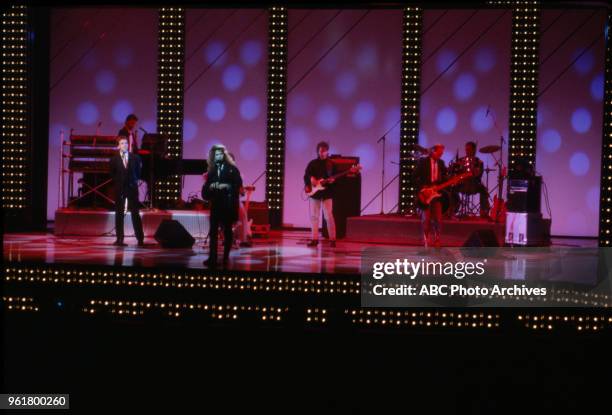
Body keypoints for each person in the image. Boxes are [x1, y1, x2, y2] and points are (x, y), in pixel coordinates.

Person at [201, 144, 243, 267]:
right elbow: (207, 190)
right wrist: (209, 188)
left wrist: (225, 187)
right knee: (213, 232)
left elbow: (238, 187)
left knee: (227, 231)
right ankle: (212, 258)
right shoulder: (212, 170)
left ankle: (225, 257)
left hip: (228, 205)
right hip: (216, 205)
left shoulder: (233, 169)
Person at [109, 136, 144, 247]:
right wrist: (119, 183)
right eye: (122, 143)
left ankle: (140, 239)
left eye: (126, 143)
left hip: (132, 188)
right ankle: (120, 239)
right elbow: (112, 174)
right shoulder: (114, 159)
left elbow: (138, 173)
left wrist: (133, 181)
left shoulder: (135, 158)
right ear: (118, 145)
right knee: (119, 213)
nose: (125, 145)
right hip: (120, 189)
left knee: (135, 213)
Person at [413, 144, 447, 248]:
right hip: (425, 193)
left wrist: (451, 181)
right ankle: (426, 239)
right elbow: (414, 177)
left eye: (442, 154)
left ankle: (437, 239)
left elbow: (444, 178)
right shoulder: (423, 162)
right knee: (426, 219)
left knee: (438, 218)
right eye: (439, 153)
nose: (440, 155)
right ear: (433, 151)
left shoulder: (441, 163)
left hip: (436, 194)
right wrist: (422, 189)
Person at [303, 141, 336, 248]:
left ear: (327, 152)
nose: (322, 153)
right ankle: (314, 239)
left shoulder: (331, 164)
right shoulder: (312, 163)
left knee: (329, 216)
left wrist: (333, 181)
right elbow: (306, 176)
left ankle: (332, 239)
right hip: (315, 194)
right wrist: (310, 178)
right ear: (318, 151)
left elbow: (335, 178)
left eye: (324, 151)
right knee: (314, 217)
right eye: (320, 151)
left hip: (327, 193)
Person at [455, 141, 489, 218]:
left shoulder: (478, 162)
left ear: (474, 150)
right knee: (452, 188)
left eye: (469, 150)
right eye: (466, 149)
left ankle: (483, 212)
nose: (467, 151)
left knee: (484, 191)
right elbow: (456, 173)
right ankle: (453, 210)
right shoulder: (461, 160)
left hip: (474, 185)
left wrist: (475, 171)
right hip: (462, 185)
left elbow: (479, 175)